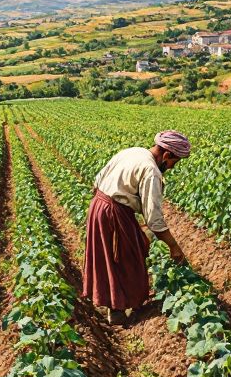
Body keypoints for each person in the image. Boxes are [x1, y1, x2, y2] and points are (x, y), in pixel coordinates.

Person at [82, 130, 191, 324]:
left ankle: (114, 306)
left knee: (111, 255)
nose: (172, 167)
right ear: (166, 155)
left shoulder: (133, 152)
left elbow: (97, 180)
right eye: (175, 162)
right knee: (125, 258)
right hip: (113, 212)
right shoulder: (151, 171)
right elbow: (154, 219)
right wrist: (174, 246)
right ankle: (117, 310)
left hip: (99, 205)